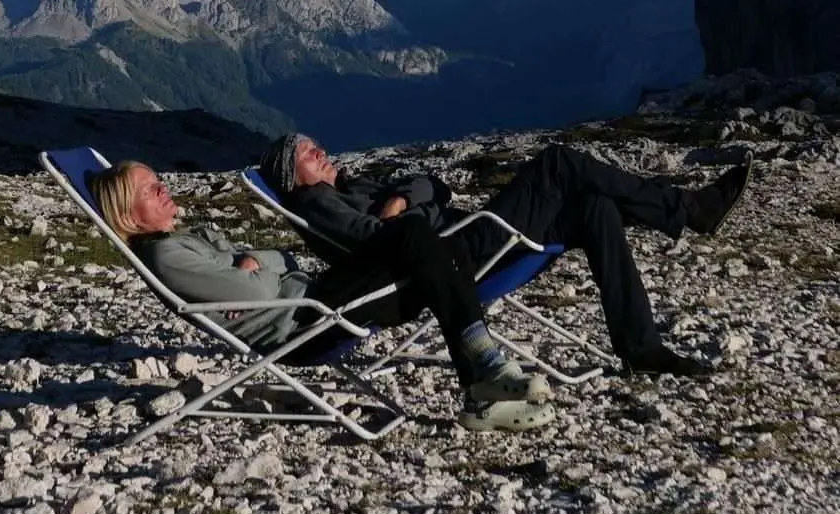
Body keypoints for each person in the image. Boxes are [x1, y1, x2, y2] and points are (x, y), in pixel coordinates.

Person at [88, 159, 556, 433]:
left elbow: (267, 261)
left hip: (311, 299)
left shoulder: (179, 241)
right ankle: (482, 372)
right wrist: (258, 263)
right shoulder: (169, 255)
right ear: (129, 213)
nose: (164, 189)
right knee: (414, 237)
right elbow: (251, 286)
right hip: (308, 322)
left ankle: (480, 386)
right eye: (152, 189)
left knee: (438, 244)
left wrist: (258, 261)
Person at [258, 134, 753, 379]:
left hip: (469, 234)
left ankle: (641, 347)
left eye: (316, 145)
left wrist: (405, 196)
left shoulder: (349, 185)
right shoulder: (316, 204)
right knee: (557, 163)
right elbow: (379, 238)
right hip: (461, 253)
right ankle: (687, 208)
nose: (319, 152)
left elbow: (438, 186)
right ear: (291, 177)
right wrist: (405, 211)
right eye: (306, 154)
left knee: (595, 208)